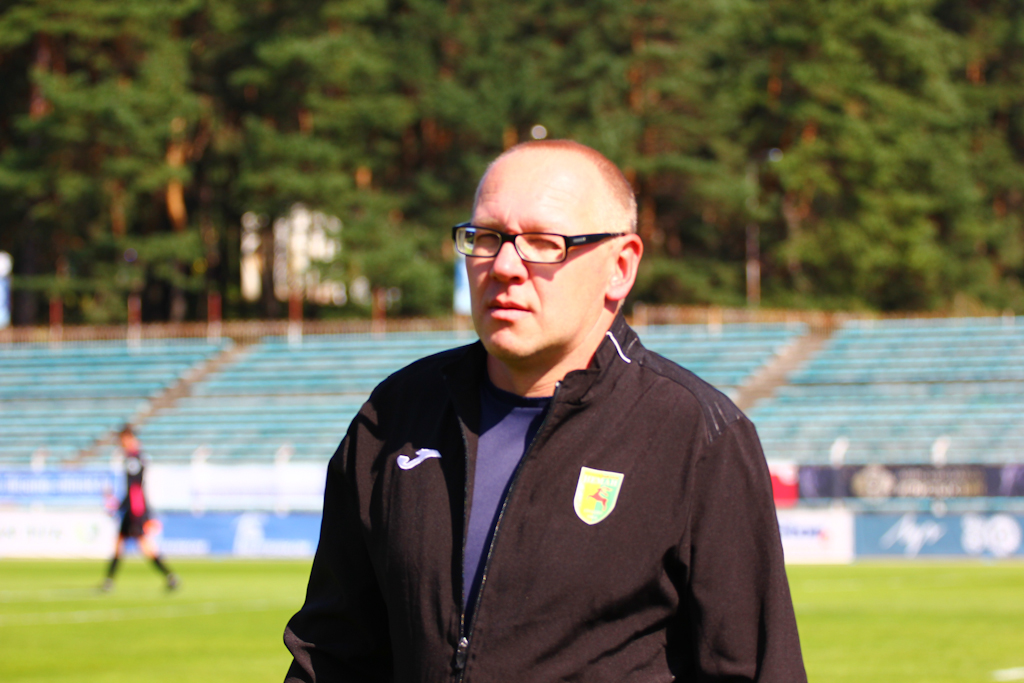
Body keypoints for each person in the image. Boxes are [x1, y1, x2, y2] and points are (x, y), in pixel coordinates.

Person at [283, 140, 806, 681]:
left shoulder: (695, 434)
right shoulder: (395, 416)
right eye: (486, 238)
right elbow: (332, 656)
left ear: (620, 267)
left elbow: (755, 670)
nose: (504, 266)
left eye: (543, 243)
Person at [101, 425, 179, 592]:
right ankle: (108, 581)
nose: (121, 443)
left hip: (135, 508)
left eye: (122, 440)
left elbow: (134, 487)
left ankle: (170, 576)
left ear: (129, 438)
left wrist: (122, 506)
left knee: (144, 545)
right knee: (120, 543)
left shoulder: (133, 459)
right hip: (133, 507)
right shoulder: (136, 457)